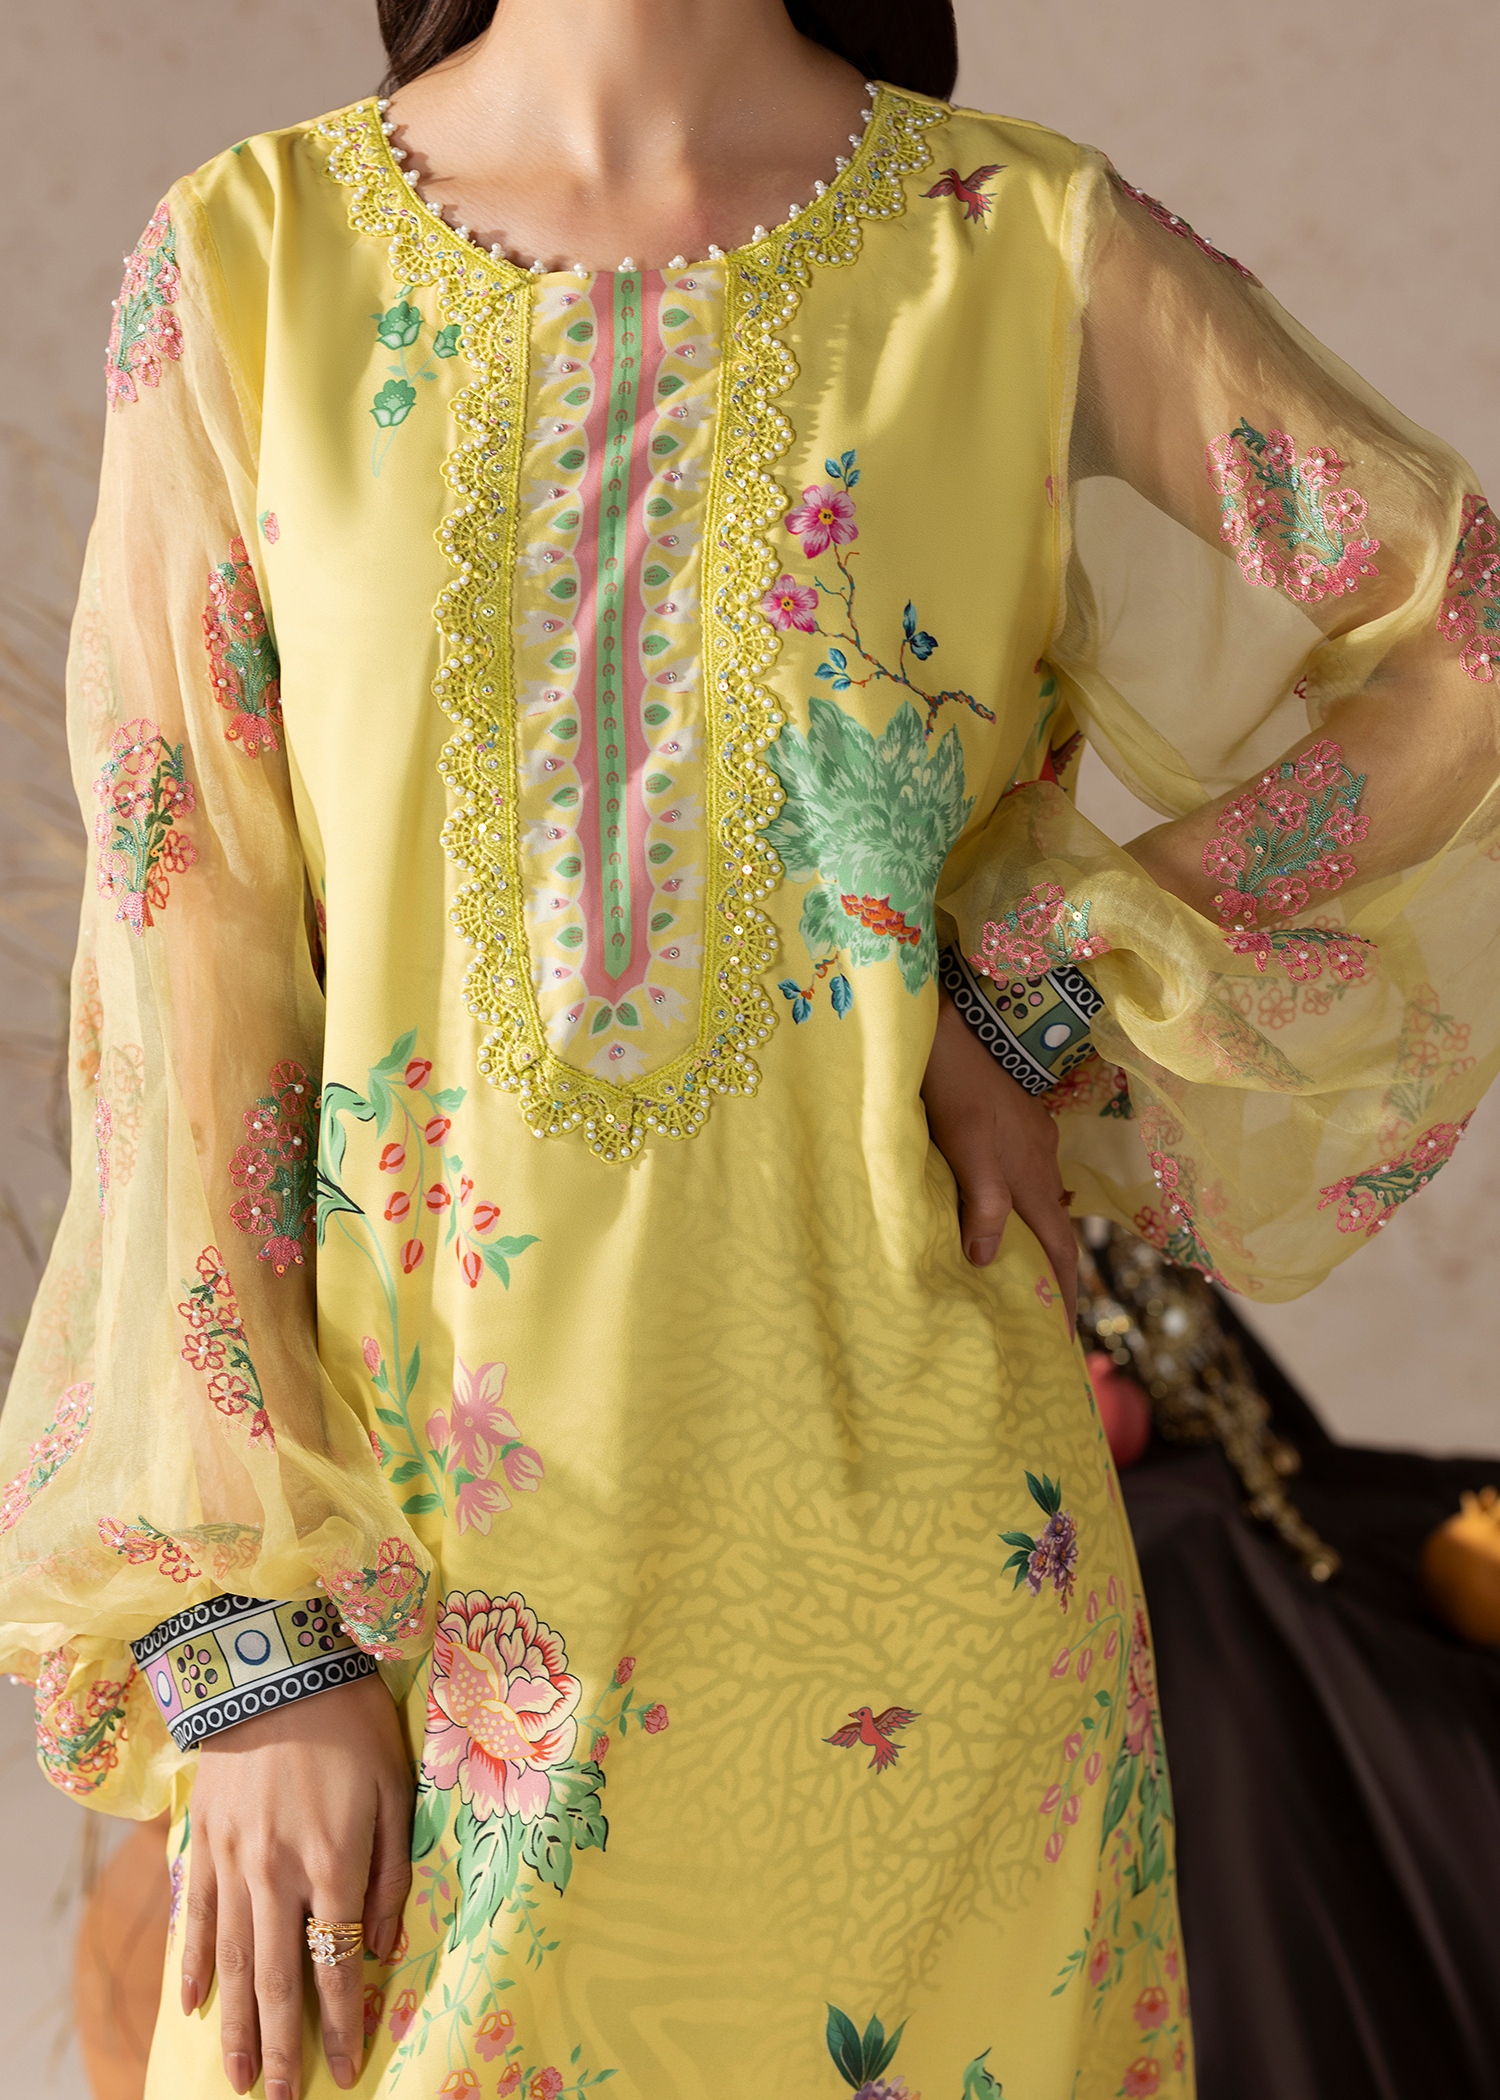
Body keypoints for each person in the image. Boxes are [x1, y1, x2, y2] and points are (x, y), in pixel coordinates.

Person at [3, 1, 1496, 2094]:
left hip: (924, 1613)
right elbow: (183, 977)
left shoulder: (1015, 247)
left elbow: (1461, 639)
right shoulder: (254, 259)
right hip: (421, 1622)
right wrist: (246, 1643)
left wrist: (1042, 975)